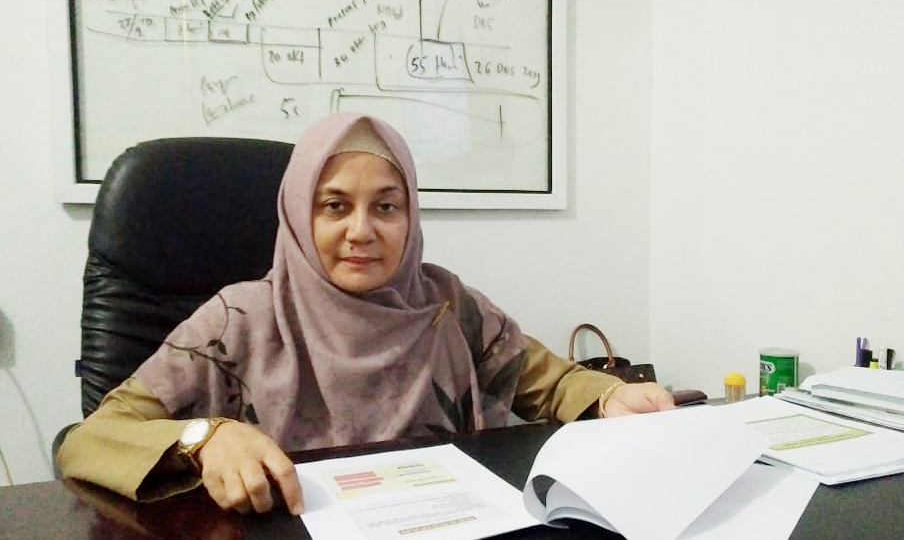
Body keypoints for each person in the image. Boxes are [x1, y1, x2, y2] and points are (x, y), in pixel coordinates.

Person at [57, 112, 675, 516]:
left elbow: (554, 383)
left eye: (386, 207)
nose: (362, 231)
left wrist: (609, 397)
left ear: (411, 216)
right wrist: (204, 438)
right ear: (299, 215)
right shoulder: (237, 321)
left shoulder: (447, 306)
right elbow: (88, 440)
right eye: (334, 206)